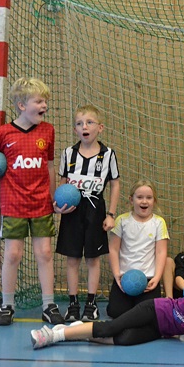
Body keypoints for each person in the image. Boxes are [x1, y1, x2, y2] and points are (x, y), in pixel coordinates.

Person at [0, 77, 64, 326]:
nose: (44, 106)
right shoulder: (3, 133)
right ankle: (7, 305)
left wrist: (52, 197)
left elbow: (50, 165)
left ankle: (49, 305)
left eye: (45, 101)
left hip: (41, 203)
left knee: (45, 253)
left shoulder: (48, 131)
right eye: (39, 101)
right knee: (12, 254)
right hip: (13, 204)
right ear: (22, 105)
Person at [30, 260, 184, 349]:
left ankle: (78, 331)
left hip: (161, 330)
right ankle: (54, 335)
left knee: (124, 340)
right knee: (111, 327)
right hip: (154, 310)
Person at [56, 104, 121, 322]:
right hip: (72, 212)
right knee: (72, 259)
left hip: (96, 210)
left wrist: (111, 214)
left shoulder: (108, 154)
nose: (84, 127)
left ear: (100, 127)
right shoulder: (68, 153)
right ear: (75, 129)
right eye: (79, 123)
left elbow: (115, 184)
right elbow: (63, 182)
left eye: (89, 122)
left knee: (93, 259)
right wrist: (58, 204)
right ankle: (73, 304)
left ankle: (91, 304)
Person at [106, 180, 169, 318]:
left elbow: (161, 252)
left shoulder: (159, 222)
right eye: (139, 197)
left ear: (154, 201)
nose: (144, 201)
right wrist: (117, 275)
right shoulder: (121, 220)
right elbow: (113, 249)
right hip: (125, 279)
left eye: (149, 197)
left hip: (148, 280)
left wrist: (157, 277)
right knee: (116, 312)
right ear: (131, 199)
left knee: (148, 315)